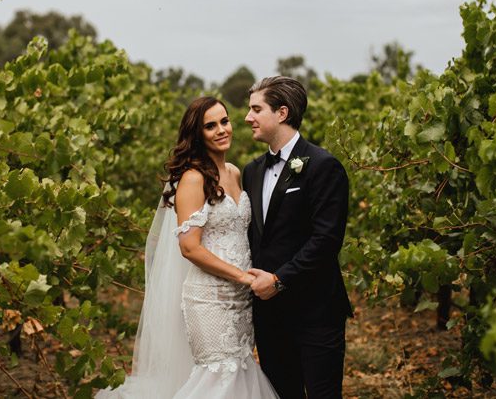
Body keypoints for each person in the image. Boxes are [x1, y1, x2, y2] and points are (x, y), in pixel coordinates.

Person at [97, 96, 278, 399]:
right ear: (198, 134)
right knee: (219, 374)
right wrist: (243, 276)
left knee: (240, 367)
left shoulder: (234, 172)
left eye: (224, 121)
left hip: (241, 299)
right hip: (209, 298)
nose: (221, 130)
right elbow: (190, 248)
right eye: (210, 126)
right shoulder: (193, 179)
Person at [243, 76, 352, 399]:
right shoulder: (252, 170)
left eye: (256, 109)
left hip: (315, 310)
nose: (248, 118)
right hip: (269, 315)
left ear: (282, 113)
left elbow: (326, 240)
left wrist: (278, 279)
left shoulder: (324, 166)